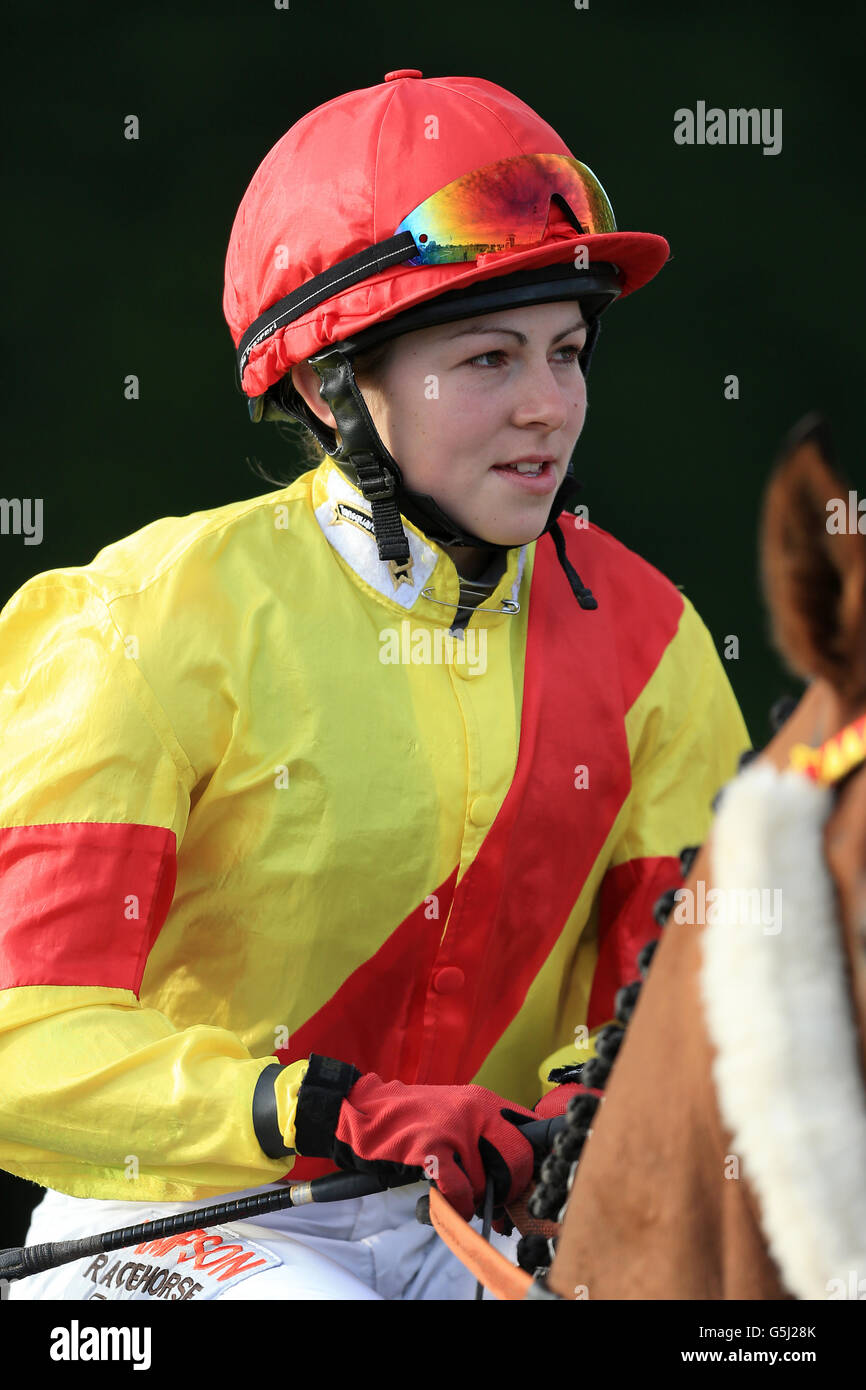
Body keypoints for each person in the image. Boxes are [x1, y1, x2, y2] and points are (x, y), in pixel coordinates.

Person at [1, 69, 750, 1301]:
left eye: (566, 353)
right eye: (488, 358)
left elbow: (686, 989)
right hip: (183, 1214)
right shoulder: (140, 625)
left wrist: (594, 1100)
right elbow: (21, 1039)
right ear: (329, 384)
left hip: (491, 1225)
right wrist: (323, 1105)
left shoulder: (652, 639)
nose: (547, 408)